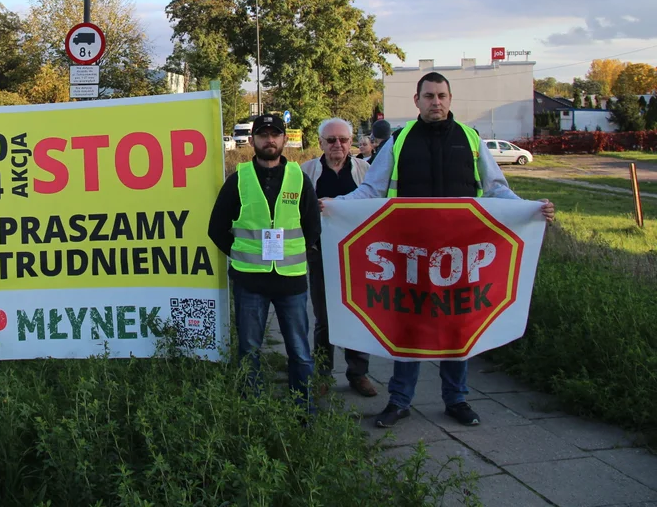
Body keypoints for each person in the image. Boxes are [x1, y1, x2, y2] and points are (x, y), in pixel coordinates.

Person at [332, 72, 555, 428]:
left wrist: (530, 209)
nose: (436, 102)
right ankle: (400, 400)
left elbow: (498, 189)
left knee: (458, 326)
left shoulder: (470, 139)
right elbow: (371, 191)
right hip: (410, 254)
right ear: (416, 101)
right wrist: (336, 205)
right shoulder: (400, 141)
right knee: (408, 327)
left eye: (441, 96)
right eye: (429, 96)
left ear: (450, 100)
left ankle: (457, 399)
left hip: (461, 256)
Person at [208, 114, 320, 411]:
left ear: (284, 139)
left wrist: (298, 253)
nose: (269, 139)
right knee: (249, 351)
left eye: (275, 134)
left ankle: (303, 411)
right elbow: (216, 228)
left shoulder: (299, 177)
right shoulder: (239, 179)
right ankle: (253, 413)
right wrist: (242, 254)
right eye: (263, 134)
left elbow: (312, 226)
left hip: (292, 282)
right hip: (250, 282)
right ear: (253, 140)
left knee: (299, 351)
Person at [300, 118, 376, 397]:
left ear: (351, 141)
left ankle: (359, 373)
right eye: (331, 140)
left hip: (358, 255)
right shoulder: (307, 171)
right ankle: (322, 373)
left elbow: (375, 206)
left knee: (358, 313)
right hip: (321, 253)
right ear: (320, 142)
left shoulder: (365, 170)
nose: (338, 145)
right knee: (324, 316)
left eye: (343, 140)